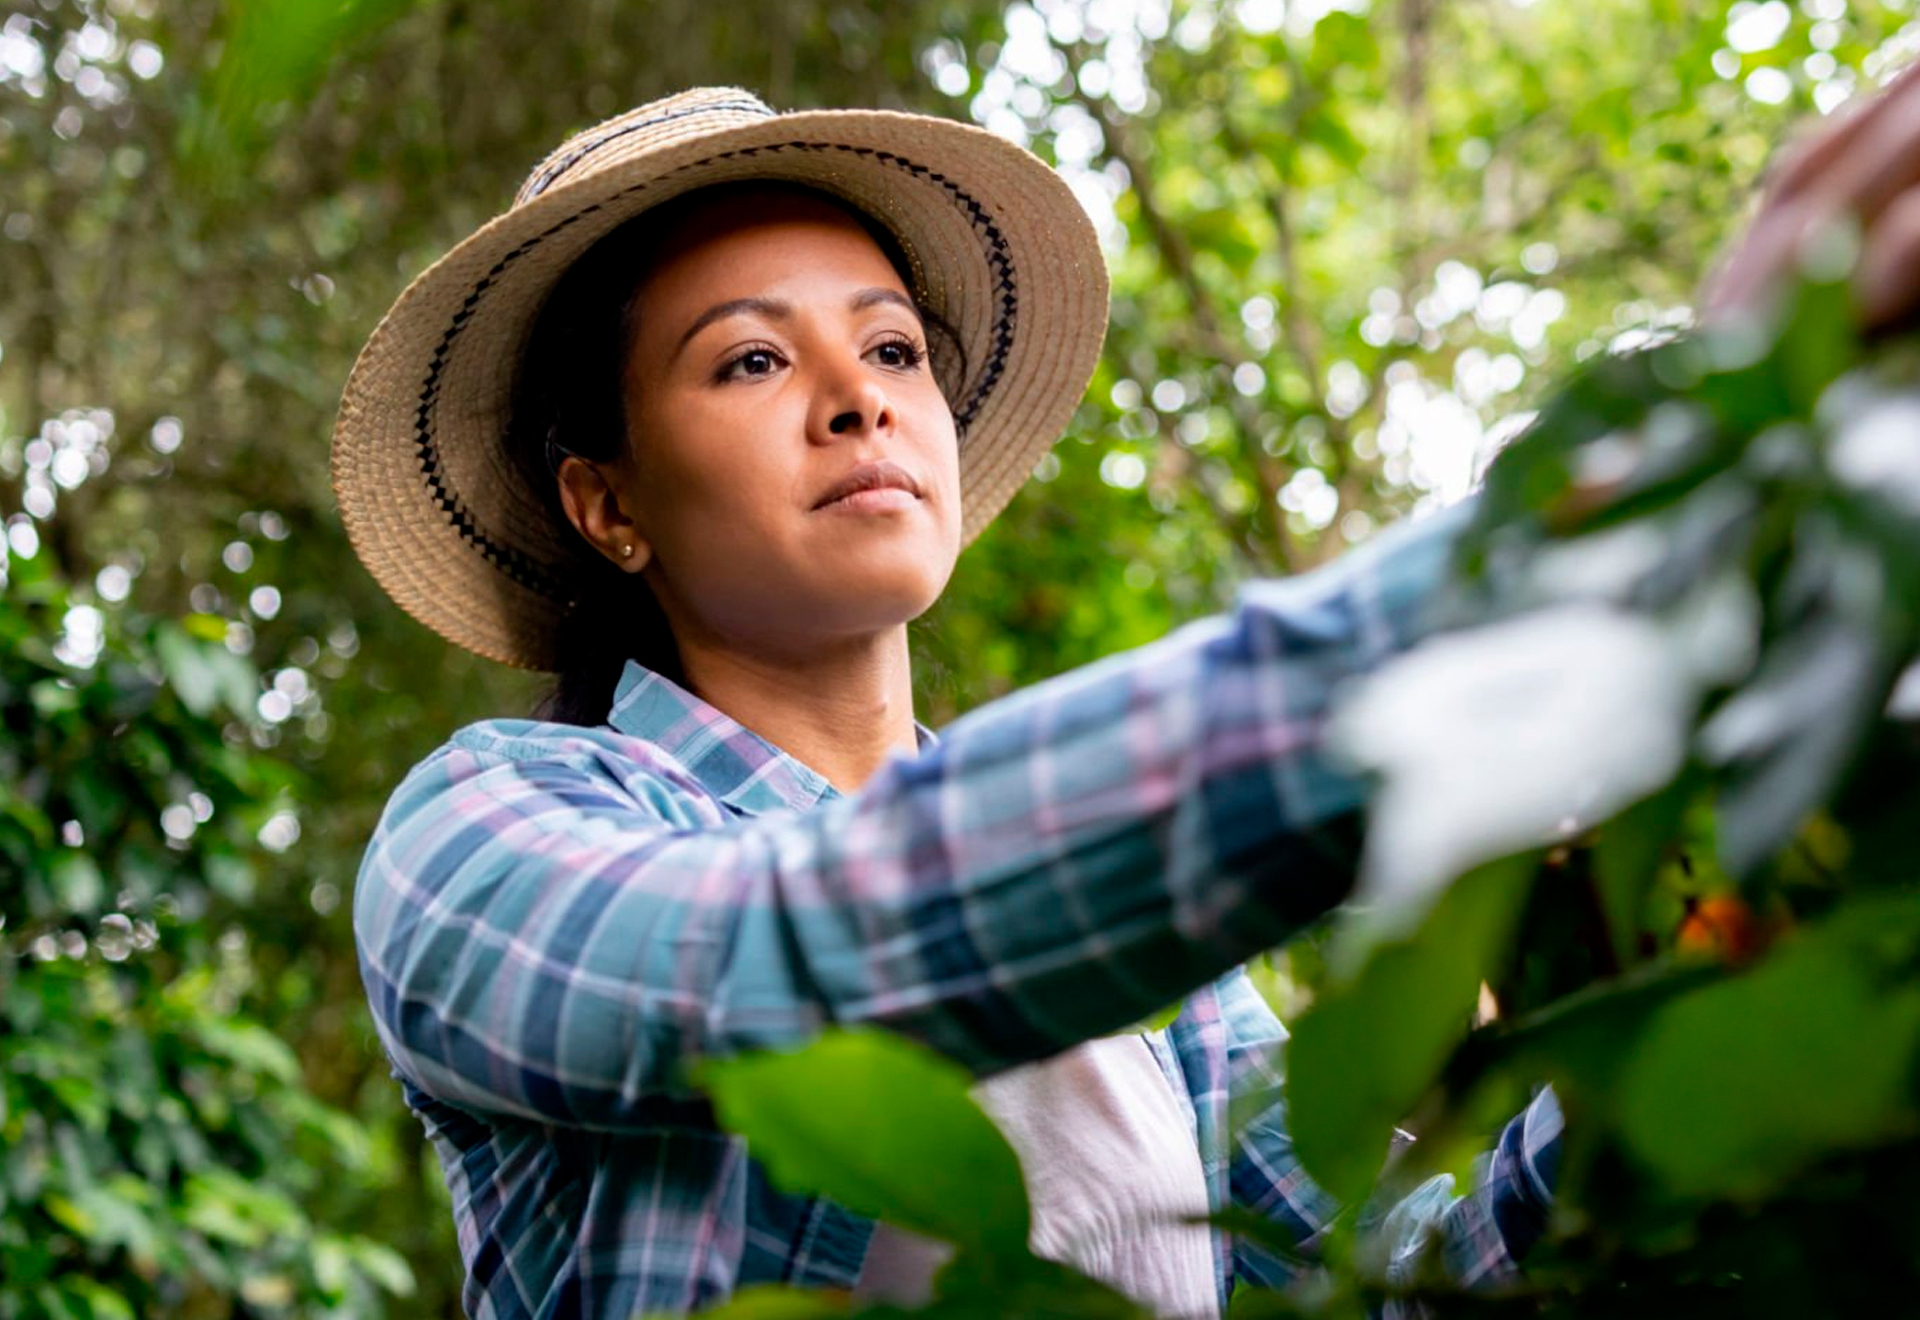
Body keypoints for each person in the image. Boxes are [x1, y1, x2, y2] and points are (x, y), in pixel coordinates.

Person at [334, 75, 1920, 1320]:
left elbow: (1405, 1281)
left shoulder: (1165, 986)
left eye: (894, 347)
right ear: (608, 502)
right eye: (749, 361)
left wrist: (1733, 981)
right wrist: (1595, 540)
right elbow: (811, 950)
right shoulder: (487, 830)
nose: (858, 399)